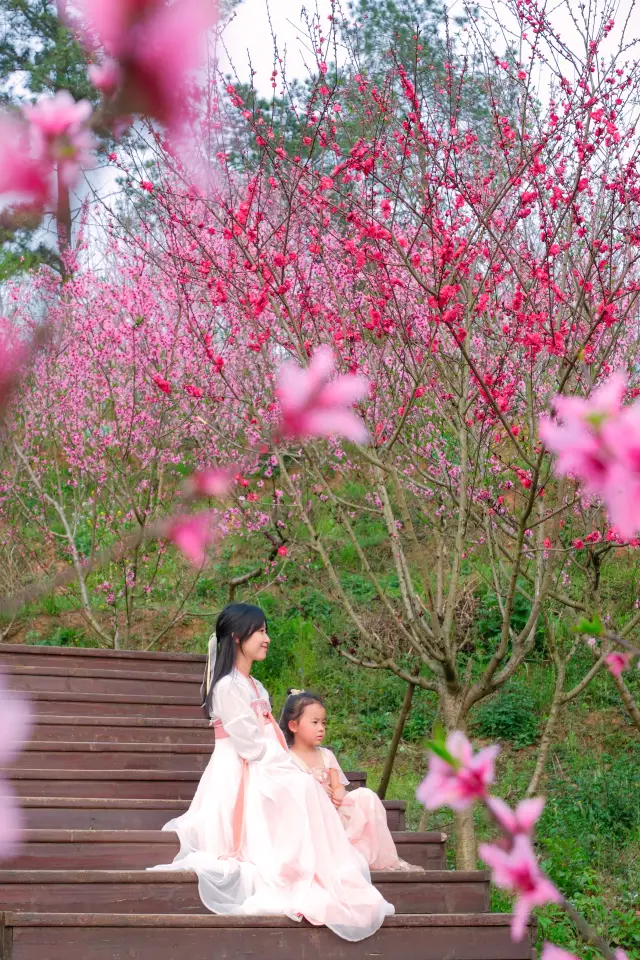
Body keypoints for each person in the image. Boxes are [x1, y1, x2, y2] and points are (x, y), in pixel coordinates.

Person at [147, 602, 394, 941]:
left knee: (303, 787)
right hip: (240, 771)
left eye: (265, 631)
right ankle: (296, 867)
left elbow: (269, 741)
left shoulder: (257, 686)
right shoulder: (226, 687)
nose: (267, 638)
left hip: (263, 764)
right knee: (301, 787)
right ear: (238, 636)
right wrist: (290, 768)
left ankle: (316, 867)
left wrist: (291, 768)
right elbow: (250, 747)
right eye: (260, 631)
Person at [281, 690, 423, 872]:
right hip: (311, 816)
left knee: (365, 796)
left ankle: (371, 856)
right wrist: (314, 791)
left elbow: (337, 784)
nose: (321, 728)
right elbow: (288, 792)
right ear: (293, 726)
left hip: (335, 808)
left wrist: (339, 793)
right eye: (314, 723)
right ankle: (340, 855)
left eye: (324, 723)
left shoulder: (326, 755)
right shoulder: (287, 758)